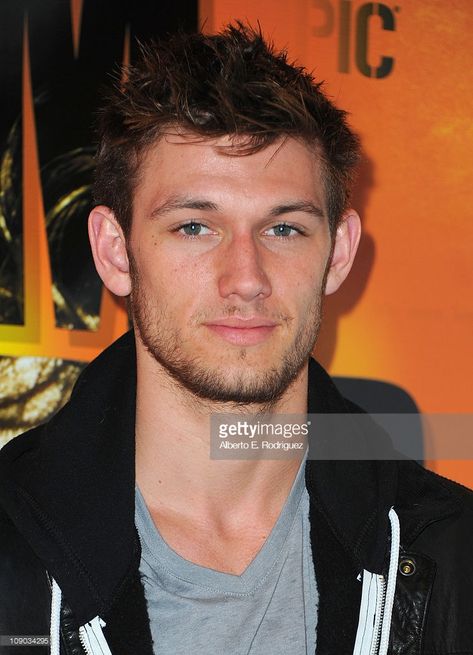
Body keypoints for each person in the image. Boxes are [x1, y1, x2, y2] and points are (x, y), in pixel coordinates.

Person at [0, 22, 472, 655]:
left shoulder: (452, 552)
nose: (245, 280)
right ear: (115, 253)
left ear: (339, 254)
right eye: (195, 227)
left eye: (284, 230)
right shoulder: (13, 547)